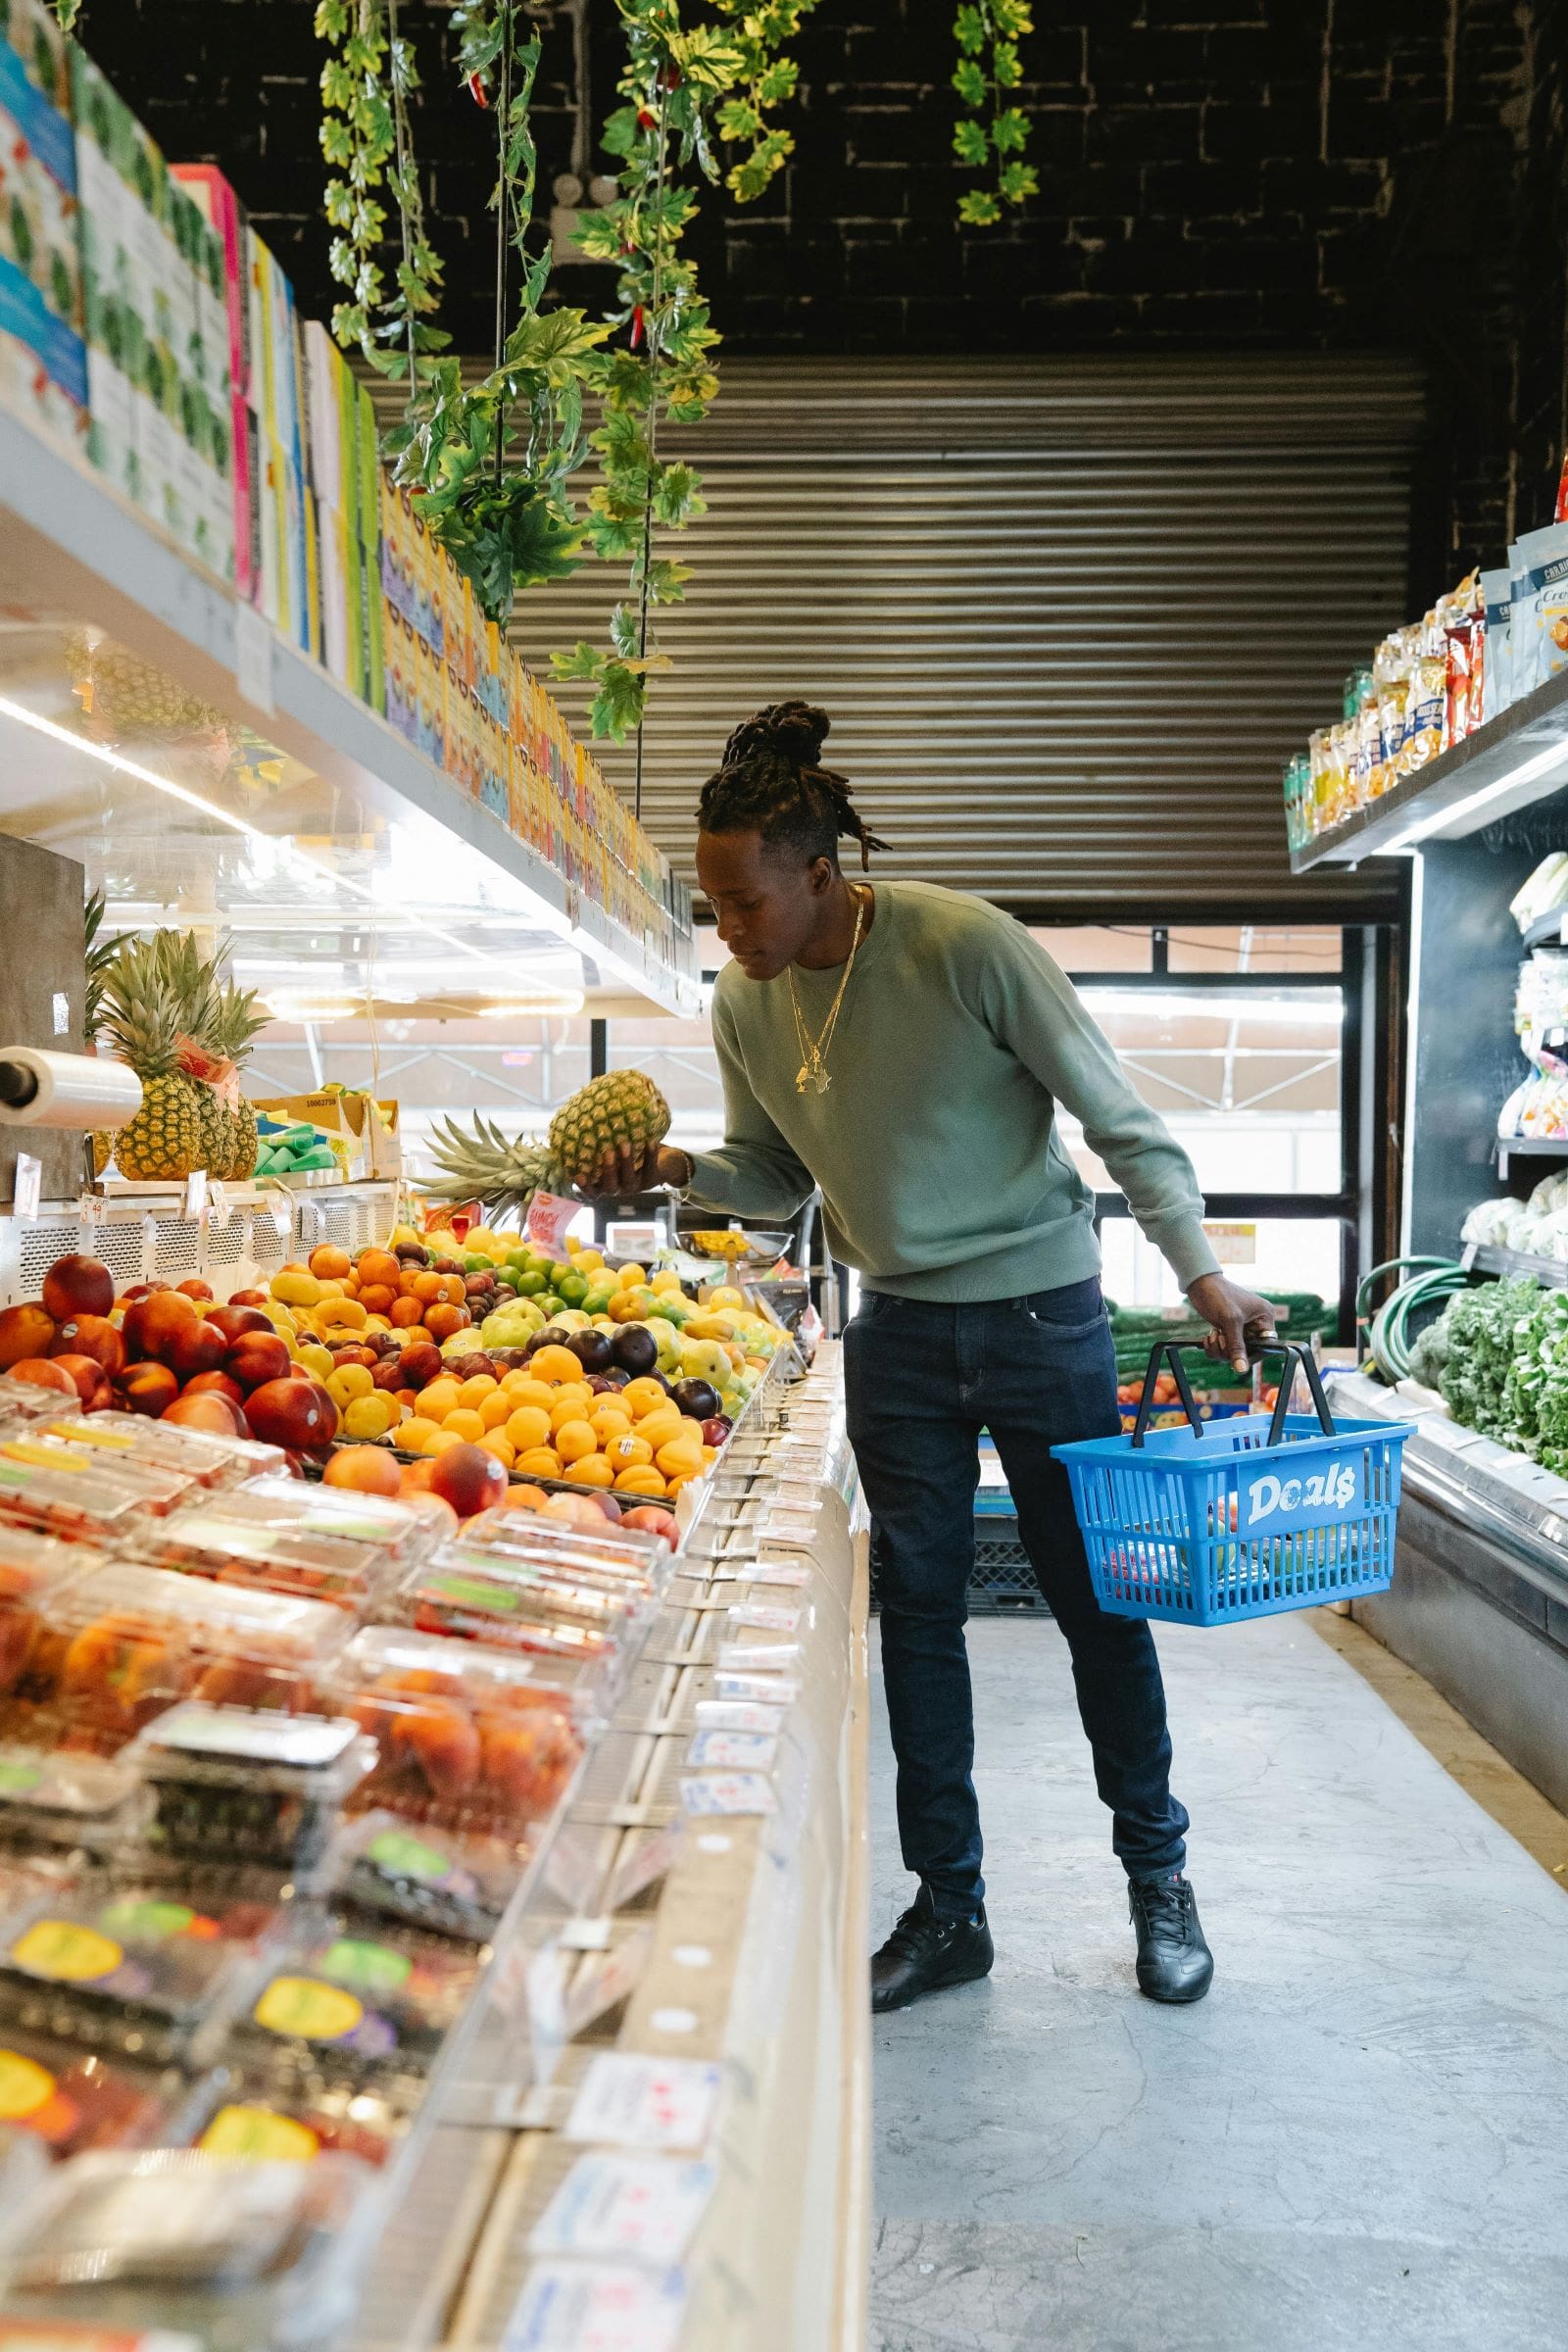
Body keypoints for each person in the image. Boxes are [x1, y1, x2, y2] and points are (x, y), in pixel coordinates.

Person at [587, 700, 1277, 2014]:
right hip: (894, 1329)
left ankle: (1158, 1878)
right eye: (712, 903)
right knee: (918, 1623)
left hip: (1040, 1317)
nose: (725, 928)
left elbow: (1120, 1120)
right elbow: (774, 1174)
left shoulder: (965, 947)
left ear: (819, 875)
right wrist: (677, 1169)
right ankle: (951, 1907)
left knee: (1097, 1609)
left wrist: (1200, 1272)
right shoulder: (747, 999)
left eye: (742, 901)